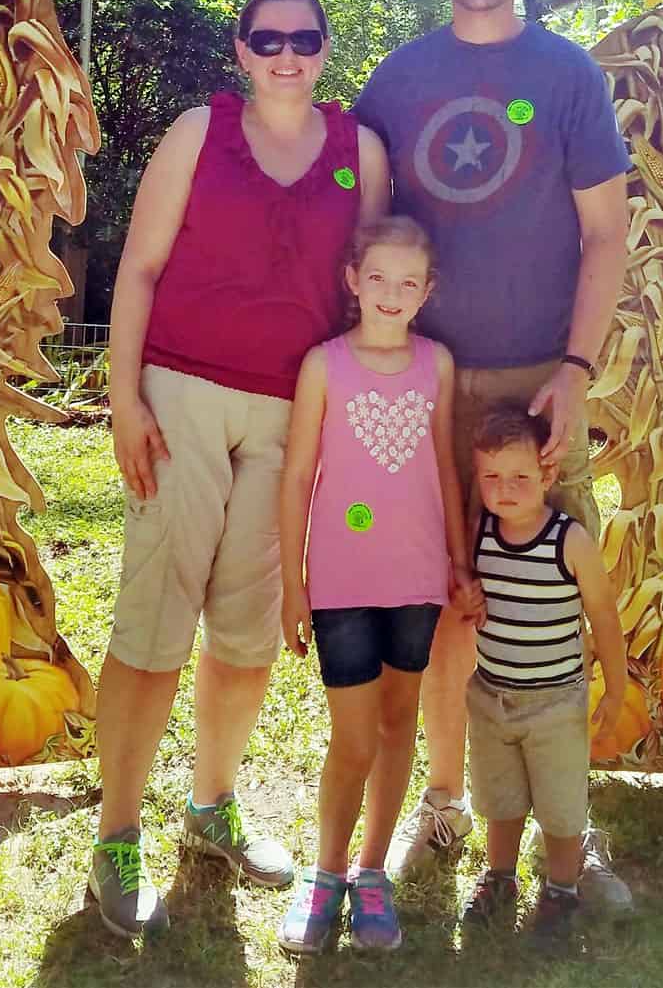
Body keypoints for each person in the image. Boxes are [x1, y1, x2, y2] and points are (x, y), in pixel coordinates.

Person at [90, 0, 389, 938]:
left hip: (289, 412)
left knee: (249, 634)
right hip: (180, 395)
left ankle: (210, 807)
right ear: (241, 50)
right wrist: (122, 395)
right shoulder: (198, 132)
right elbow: (137, 267)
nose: (287, 54)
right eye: (268, 39)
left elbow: (369, 290)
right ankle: (119, 828)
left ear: (326, 44)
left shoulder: (360, 151)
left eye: (304, 36)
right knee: (152, 625)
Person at [353, 0, 634, 906]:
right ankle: (442, 798)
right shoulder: (398, 77)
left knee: (551, 593)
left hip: (540, 381)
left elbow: (606, 234)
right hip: (424, 384)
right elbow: (368, 234)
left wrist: (576, 367)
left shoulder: (566, 76)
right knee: (441, 599)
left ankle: (570, 822)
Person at [274, 216, 481, 954]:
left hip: (418, 578)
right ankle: (324, 875)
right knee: (353, 738)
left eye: (408, 282)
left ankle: (370, 875)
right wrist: (295, 584)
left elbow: (445, 472)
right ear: (353, 280)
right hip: (340, 581)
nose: (392, 294)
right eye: (379, 278)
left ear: (427, 292)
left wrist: (458, 562)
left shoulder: (439, 364)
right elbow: (297, 475)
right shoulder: (324, 365)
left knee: (399, 726)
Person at [460, 403, 627, 937]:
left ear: (547, 475)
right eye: (491, 477)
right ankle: (499, 876)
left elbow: (603, 618)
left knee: (560, 807)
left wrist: (615, 691)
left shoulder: (568, 539)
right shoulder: (480, 534)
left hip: (556, 701)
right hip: (491, 696)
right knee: (499, 798)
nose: (504, 489)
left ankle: (561, 889)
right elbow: (465, 591)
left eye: (519, 477)